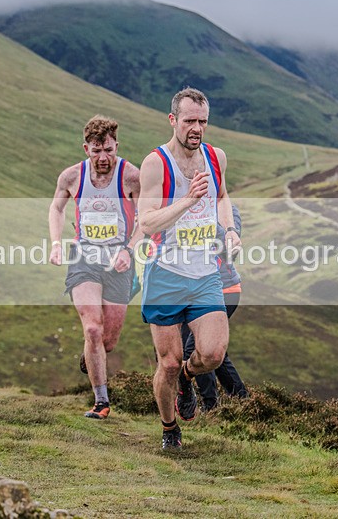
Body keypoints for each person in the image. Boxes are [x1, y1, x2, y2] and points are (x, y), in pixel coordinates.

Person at [138, 88, 241, 450]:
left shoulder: (216, 157)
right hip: (164, 274)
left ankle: (186, 377)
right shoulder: (156, 163)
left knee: (212, 354)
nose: (196, 128)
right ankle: (170, 429)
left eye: (202, 121)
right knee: (167, 362)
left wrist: (229, 230)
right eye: (189, 121)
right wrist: (186, 200)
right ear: (173, 120)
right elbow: (148, 222)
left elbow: (224, 198)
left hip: (204, 275)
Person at [48, 115, 141, 419]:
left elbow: (147, 219)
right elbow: (57, 207)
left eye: (109, 151)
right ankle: (101, 402)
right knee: (92, 327)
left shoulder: (131, 176)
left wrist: (130, 249)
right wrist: (56, 242)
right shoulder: (72, 177)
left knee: (108, 341)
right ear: (85, 148)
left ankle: (93, 351)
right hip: (84, 257)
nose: (103, 158)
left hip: (118, 262)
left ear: (117, 146)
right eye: (96, 151)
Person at [181, 204, 248, 411]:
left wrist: (202, 222)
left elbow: (230, 251)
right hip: (190, 293)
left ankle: (210, 405)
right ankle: (242, 400)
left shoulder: (226, 211)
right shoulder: (181, 205)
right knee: (213, 352)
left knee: (198, 349)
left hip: (223, 291)